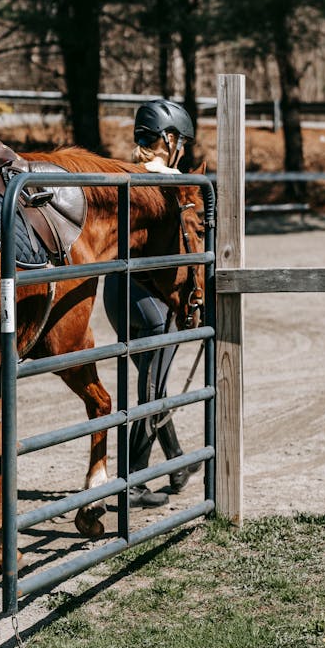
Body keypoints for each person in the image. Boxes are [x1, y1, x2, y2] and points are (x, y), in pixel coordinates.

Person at [103, 98, 202, 508]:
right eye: (182, 141)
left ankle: (176, 462)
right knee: (153, 389)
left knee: (151, 381)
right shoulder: (171, 182)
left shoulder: (123, 176)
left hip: (117, 293)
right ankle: (131, 482)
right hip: (152, 299)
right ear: (170, 138)